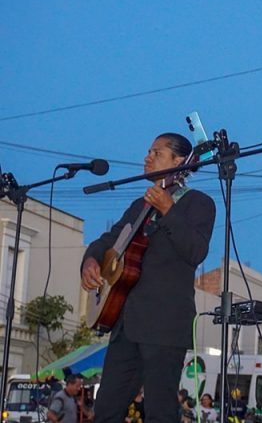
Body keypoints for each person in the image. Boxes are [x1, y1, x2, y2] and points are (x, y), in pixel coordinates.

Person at [80, 132, 216, 422]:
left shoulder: (198, 203)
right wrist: (90, 261)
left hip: (165, 325)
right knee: (105, 409)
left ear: (179, 161)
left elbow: (196, 251)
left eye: (156, 153)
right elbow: (107, 241)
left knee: (160, 411)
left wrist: (168, 209)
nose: (147, 157)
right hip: (126, 324)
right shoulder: (137, 207)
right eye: (149, 152)